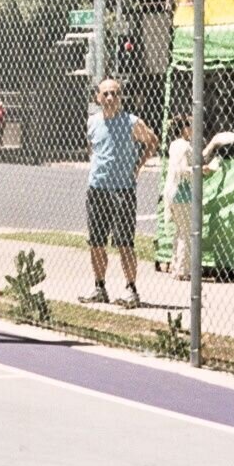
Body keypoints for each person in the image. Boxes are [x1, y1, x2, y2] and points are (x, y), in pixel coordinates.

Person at [79, 78, 158, 309]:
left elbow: (152, 142)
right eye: (106, 94)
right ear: (98, 98)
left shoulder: (132, 123)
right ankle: (100, 287)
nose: (111, 98)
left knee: (124, 243)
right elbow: (92, 148)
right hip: (97, 189)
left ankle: (132, 290)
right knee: (96, 242)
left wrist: (138, 166)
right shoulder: (92, 122)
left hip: (122, 190)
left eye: (115, 93)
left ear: (121, 97)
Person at [162, 118, 234, 280]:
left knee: (181, 231)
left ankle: (177, 266)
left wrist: (212, 145)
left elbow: (197, 158)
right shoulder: (182, 146)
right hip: (182, 193)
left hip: (174, 194)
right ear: (183, 129)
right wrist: (201, 169)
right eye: (190, 125)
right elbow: (182, 169)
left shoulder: (177, 144)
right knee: (187, 232)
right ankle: (183, 270)